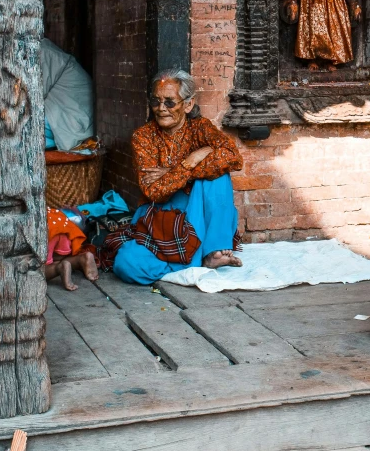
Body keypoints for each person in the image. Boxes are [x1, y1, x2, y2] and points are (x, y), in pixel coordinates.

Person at [113, 70, 243, 285]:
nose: (161, 108)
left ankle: (214, 251)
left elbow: (233, 157)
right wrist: (189, 162)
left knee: (219, 176)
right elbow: (155, 192)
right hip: (160, 217)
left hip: (195, 209)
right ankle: (191, 260)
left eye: (170, 102)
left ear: (188, 105)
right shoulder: (143, 136)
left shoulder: (200, 128)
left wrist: (171, 172)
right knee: (126, 263)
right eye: (156, 101)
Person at [45, 207, 99, 291]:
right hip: (65, 227)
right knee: (59, 257)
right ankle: (82, 258)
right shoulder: (49, 209)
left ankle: (59, 267)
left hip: (48, 232)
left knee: (39, 270)